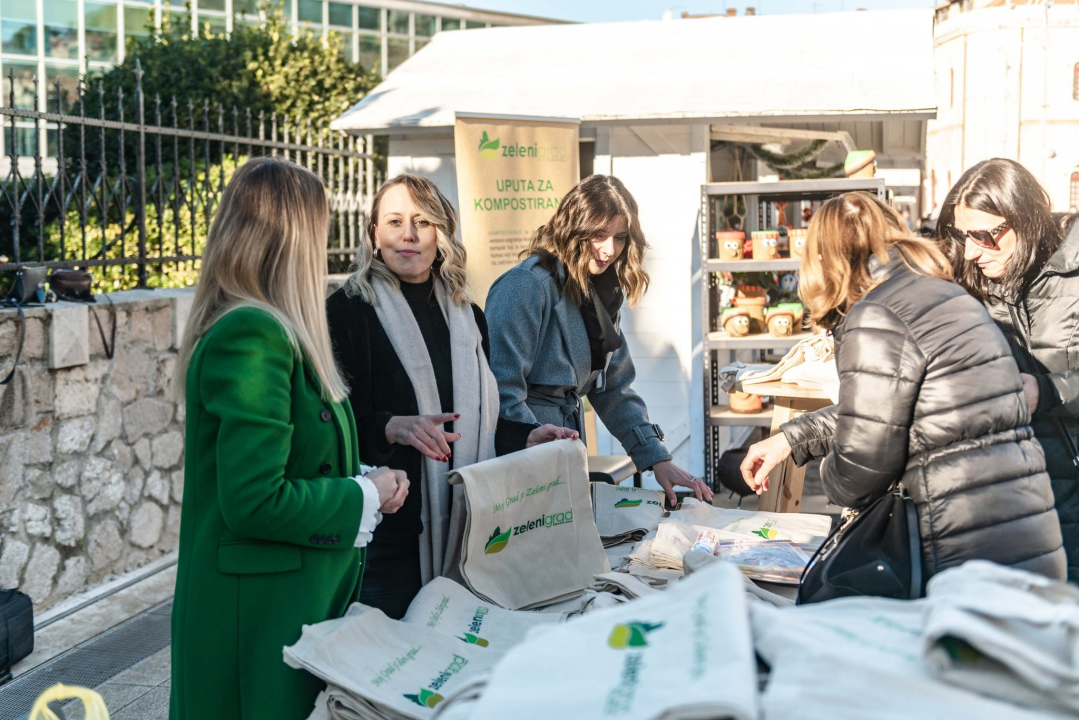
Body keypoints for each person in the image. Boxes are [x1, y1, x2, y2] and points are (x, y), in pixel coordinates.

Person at [170, 158, 408, 720]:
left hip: (282, 612)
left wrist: (359, 482)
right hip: (255, 625)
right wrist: (365, 495)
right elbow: (255, 500)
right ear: (293, 239)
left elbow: (300, 465)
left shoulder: (269, 329)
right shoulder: (252, 334)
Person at [740, 191, 1065, 581]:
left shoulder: (877, 313)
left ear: (823, 258)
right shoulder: (941, 293)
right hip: (1021, 537)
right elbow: (896, 406)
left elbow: (862, 468)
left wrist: (831, 468)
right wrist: (790, 439)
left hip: (964, 552)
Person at [326, 174, 576, 618]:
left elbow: (481, 423)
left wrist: (526, 438)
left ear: (441, 233)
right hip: (388, 536)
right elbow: (332, 429)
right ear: (373, 234)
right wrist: (392, 426)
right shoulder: (347, 311)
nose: (408, 234)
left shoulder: (467, 315)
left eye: (422, 222)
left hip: (470, 531)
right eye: (395, 221)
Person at [485, 174, 712, 506]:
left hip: (565, 450)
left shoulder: (601, 292)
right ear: (572, 229)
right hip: (524, 459)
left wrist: (656, 458)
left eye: (620, 238)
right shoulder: (526, 285)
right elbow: (499, 391)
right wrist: (531, 448)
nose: (610, 250)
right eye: (598, 235)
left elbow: (613, 387)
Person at [938, 158, 1079, 582]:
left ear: (1025, 217)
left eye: (984, 236)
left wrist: (1049, 391)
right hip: (1011, 501)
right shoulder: (969, 281)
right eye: (964, 236)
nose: (972, 251)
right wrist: (798, 437)